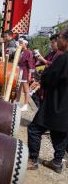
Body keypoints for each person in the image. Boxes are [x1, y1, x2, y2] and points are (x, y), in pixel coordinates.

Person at [27, 28, 68, 173]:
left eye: (60, 38)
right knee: (60, 132)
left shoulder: (64, 58)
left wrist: (42, 78)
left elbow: (49, 77)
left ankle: (32, 160)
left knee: (34, 129)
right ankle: (57, 162)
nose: (58, 41)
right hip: (64, 106)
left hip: (56, 103)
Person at [16, 38, 35, 111]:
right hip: (20, 71)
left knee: (26, 89)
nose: (20, 44)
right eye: (20, 42)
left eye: (21, 43)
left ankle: (25, 105)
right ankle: (17, 102)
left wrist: (30, 74)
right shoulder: (21, 51)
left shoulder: (28, 52)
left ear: (25, 44)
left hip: (25, 72)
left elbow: (30, 64)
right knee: (18, 89)